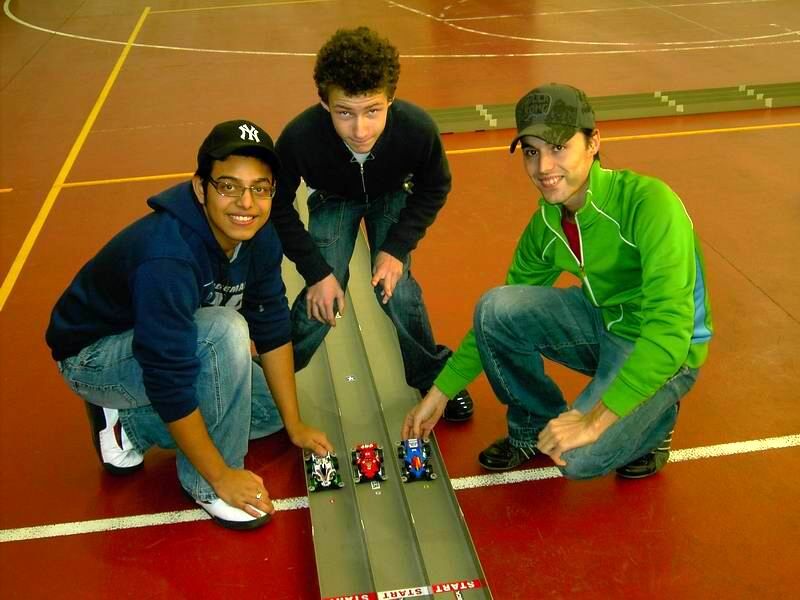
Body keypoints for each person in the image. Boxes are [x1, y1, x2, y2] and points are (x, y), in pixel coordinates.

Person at [403, 83, 713, 479]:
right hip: (603, 322)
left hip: (666, 349)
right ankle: (531, 429)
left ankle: (656, 420)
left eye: (558, 147)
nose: (544, 167)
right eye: (532, 152)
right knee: (496, 309)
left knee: (578, 460)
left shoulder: (650, 204)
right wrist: (440, 392)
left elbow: (670, 332)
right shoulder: (547, 223)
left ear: (593, 142)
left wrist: (594, 422)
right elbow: (495, 321)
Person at [46, 119, 333, 530]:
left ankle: (129, 427)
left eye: (260, 188)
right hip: (93, 357)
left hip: (170, 342)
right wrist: (221, 474)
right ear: (201, 188)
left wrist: (295, 424)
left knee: (269, 411)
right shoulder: (167, 256)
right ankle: (205, 485)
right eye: (229, 186)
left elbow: (271, 323)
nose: (246, 203)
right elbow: (168, 376)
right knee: (223, 332)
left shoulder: (260, 235)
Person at [270, 26, 473, 421]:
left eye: (373, 111)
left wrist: (396, 249)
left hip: (391, 194)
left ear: (390, 99)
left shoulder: (416, 129)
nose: (360, 130)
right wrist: (317, 273)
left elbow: (435, 186)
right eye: (345, 113)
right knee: (323, 295)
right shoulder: (299, 138)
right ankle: (274, 376)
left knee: (398, 292)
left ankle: (433, 375)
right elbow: (278, 205)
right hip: (334, 198)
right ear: (325, 103)